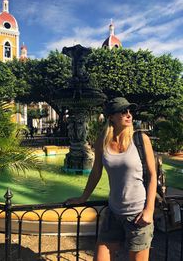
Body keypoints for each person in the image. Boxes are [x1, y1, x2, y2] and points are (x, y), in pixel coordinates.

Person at [65, 97, 157, 261]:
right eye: (123, 111)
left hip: (138, 215)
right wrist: (83, 197)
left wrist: (149, 210)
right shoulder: (103, 141)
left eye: (130, 111)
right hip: (114, 213)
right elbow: (96, 172)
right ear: (111, 117)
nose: (129, 115)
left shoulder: (141, 139)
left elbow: (152, 175)